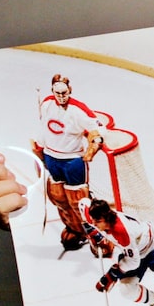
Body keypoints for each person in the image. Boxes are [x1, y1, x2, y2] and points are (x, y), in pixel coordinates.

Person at [33, 74, 105, 251]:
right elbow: (44, 127)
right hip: (51, 157)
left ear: (70, 90)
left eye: (64, 92)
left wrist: (93, 146)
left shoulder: (78, 110)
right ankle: (75, 228)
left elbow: (97, 130)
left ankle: (96, 234)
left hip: (72, 160)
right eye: (57, 93)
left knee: (78, 200)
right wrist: (40, 150)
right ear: (52, 91)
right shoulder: (46, 103)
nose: (61, 96)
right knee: (58, 197)